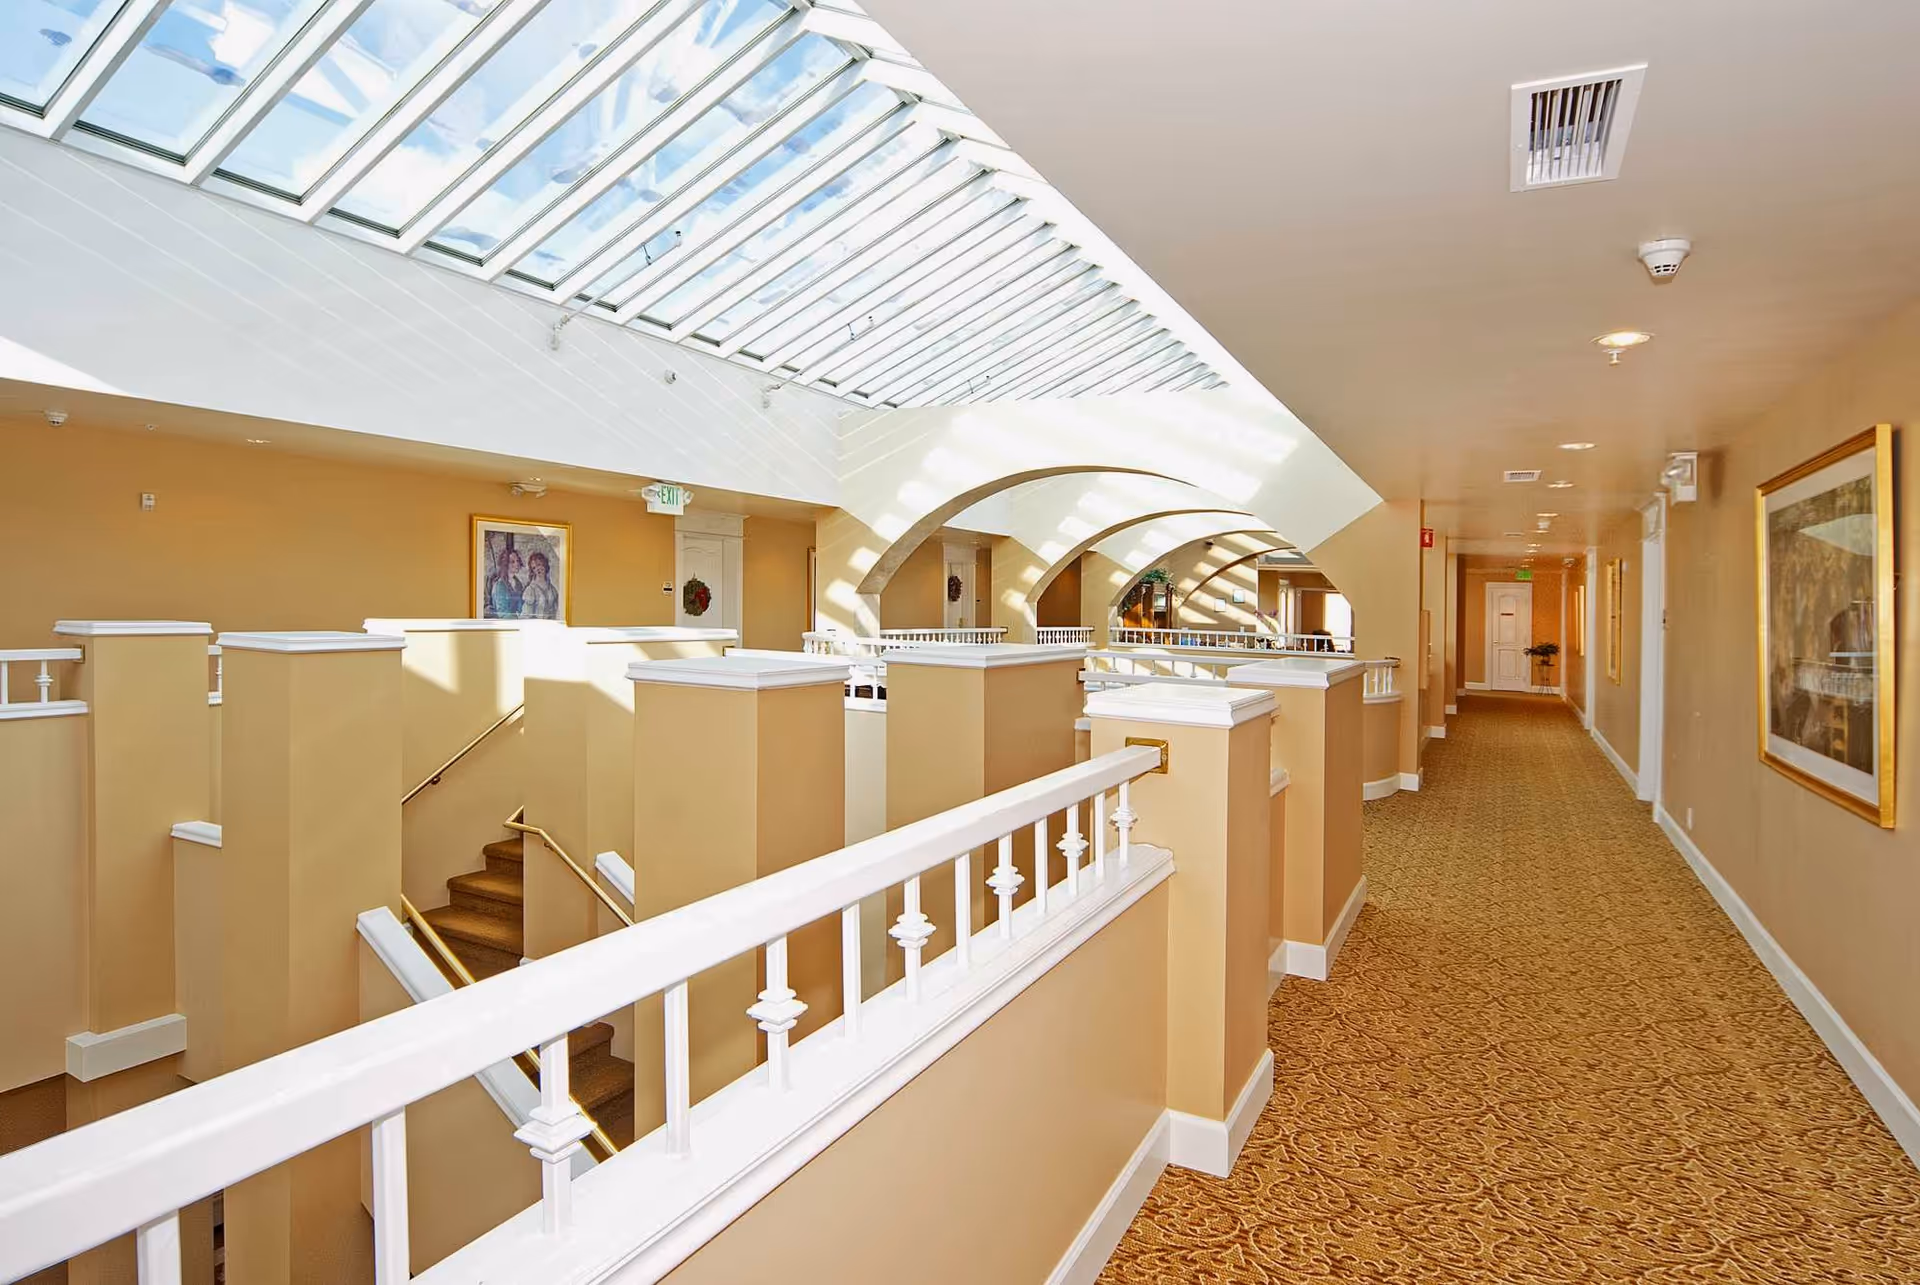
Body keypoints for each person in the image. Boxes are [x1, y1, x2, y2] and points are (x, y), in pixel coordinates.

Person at [522, 549, 560, 620]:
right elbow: (526, 616)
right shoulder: (530, 590)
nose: (537, 569)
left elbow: (556, 610)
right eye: (534, 568)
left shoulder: (552, 588)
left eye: (539, 565)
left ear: (544, 564)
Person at [488, 548, 523, 618]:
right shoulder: (499, 586)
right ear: (505, 564)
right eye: (512, 562)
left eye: (517, 561)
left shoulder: (518, 584)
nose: (517, 564)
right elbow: (502, 613)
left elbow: (521, 607)